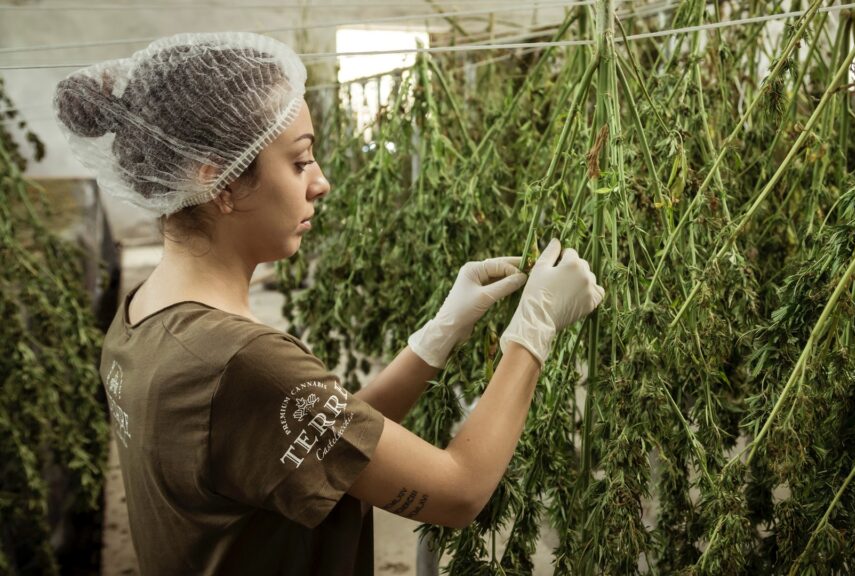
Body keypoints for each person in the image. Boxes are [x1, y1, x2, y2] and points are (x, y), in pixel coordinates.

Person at [54, 32, 604, 575]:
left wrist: (438, 334)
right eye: (299, 162)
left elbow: (320, 444)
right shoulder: (241, 363)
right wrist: (533, 331)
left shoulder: (143, 314)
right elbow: (458, 491)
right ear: (217, 181)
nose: (322, 183)